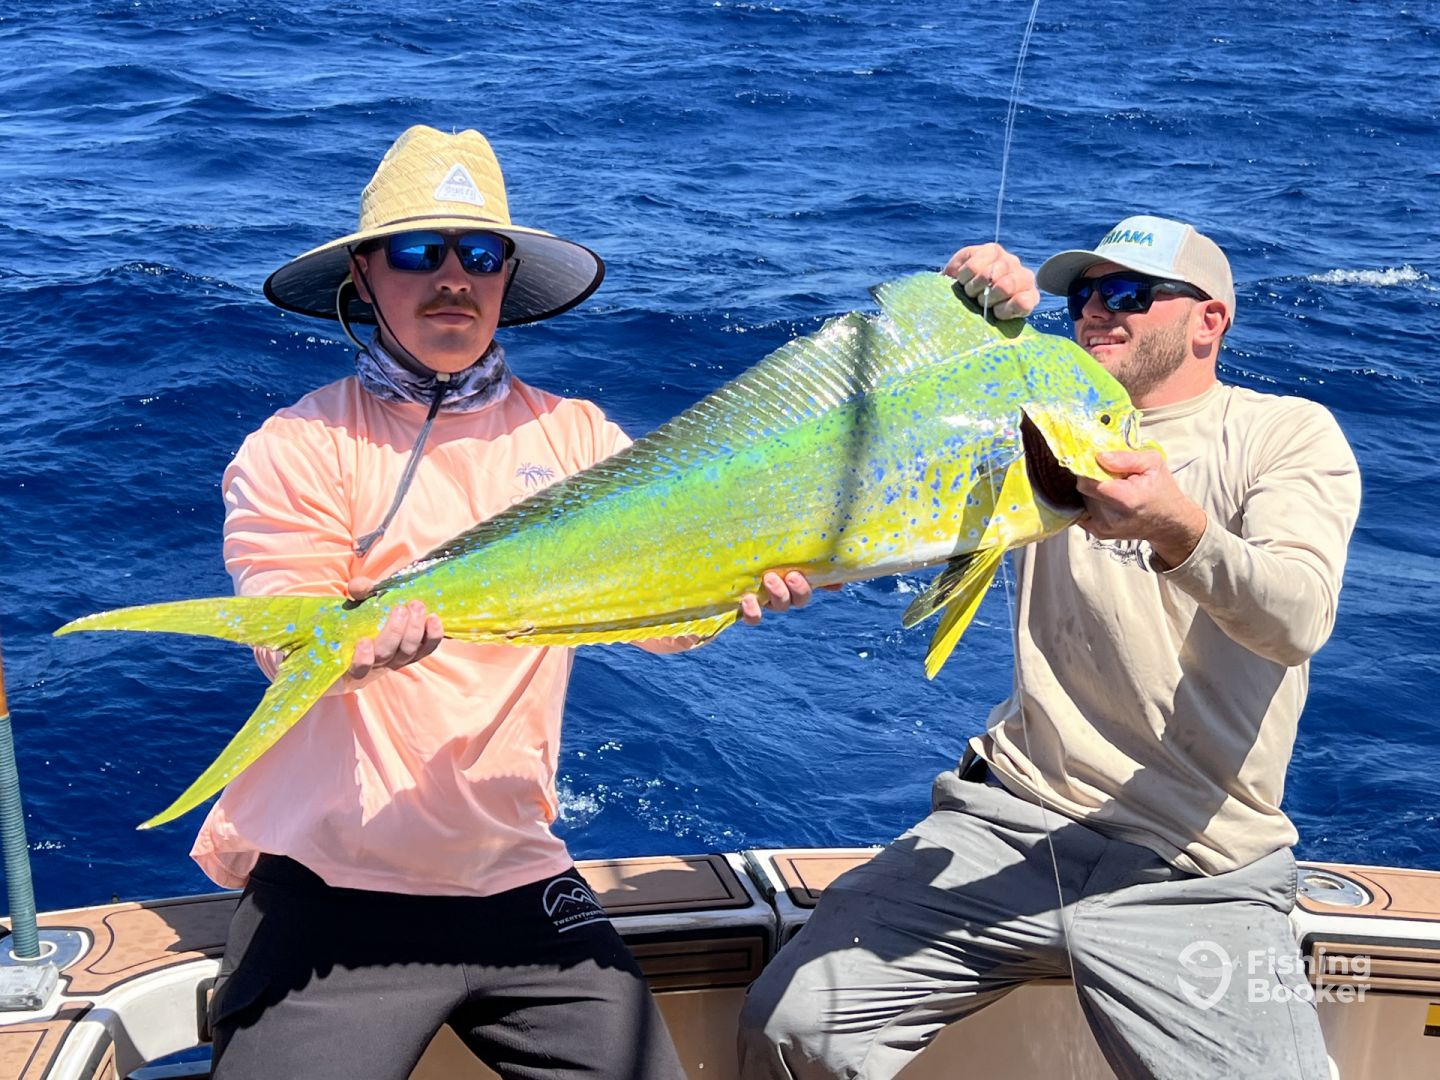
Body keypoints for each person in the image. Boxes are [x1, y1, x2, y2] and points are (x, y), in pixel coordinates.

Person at [197, 124, 814, 1079]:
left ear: (505, 277)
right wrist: (346, 650)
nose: (453, 278)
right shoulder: (298, 445)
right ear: (363, 276)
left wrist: (737, 590)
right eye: (419, 252)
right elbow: (286, 618)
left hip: (519, 877)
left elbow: (663, 623)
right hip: (335, 885)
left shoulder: (578, 439)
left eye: (480, 256)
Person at [737, 216, 1362, 1079]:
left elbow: (1297, 617)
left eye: (1130, 294)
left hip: (1197, 862)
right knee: (793, 1027)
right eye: (1083, 295)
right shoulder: (1036, 420)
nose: (1098, 310)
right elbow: (885, 505)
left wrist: (1177, 528)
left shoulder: (1284, 433)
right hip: (1012, 816)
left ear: (1209, 320)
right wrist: (977, 319)